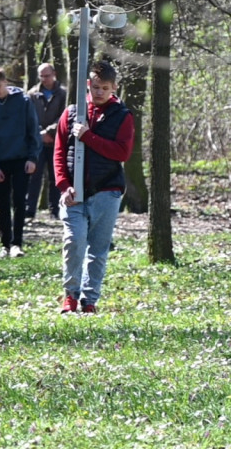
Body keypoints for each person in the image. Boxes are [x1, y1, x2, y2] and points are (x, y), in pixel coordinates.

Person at [54, 61, 133, 314]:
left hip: (106, 192)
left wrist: (88, 137)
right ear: (88, 85)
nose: (99, 93)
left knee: (98, 250)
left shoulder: (122, 115)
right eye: (95, 87)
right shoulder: (72, 112)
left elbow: (122, 152)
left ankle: (90, 300)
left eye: (105, 88)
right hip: (74, 193)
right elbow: (58, 152)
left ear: (114, 88)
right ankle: (70, 295)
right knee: (74, 242)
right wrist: (64, 185)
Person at [0, 66, 41, 258]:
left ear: (5, 82)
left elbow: (33, 129)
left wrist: (32, 157)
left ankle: (17, 243)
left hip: (21, 158)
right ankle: (5, 244)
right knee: (2, 204)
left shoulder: (23, 101)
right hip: (0, 161)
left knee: (20, 202)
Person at [27, 63, 67, 219]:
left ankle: (55, 211)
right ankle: (30, 210)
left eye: (47, 75)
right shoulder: (31, 94)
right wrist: (39, 133)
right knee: (34, 176)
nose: (45, 79)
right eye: (41, 76)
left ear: (54, 74)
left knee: (55, 177)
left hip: (56, 141)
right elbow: (29, 117)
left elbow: (64, 115)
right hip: (37, 143)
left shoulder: (63, 93)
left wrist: (50, 131)